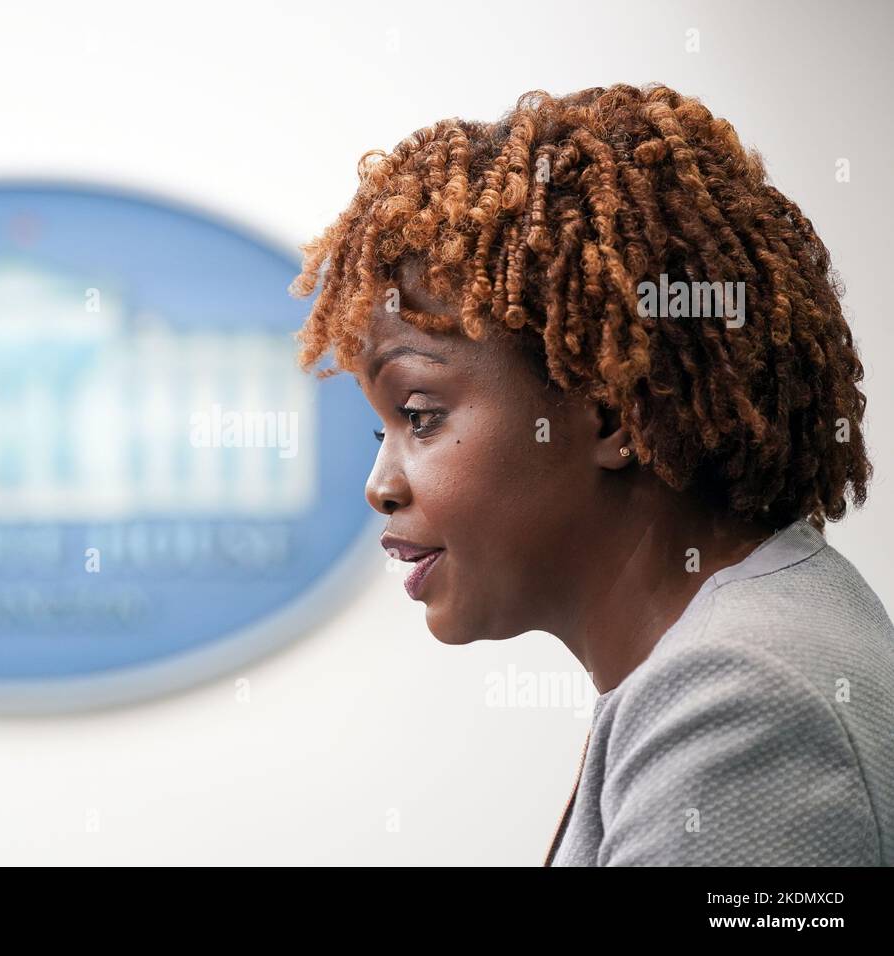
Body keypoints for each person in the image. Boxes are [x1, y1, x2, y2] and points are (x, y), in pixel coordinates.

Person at [288, 83, 894, 866]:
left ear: (608, 413)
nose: (380, 484)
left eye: (421, 415)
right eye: (383, 428)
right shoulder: (730, 645)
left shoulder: (743, 699)